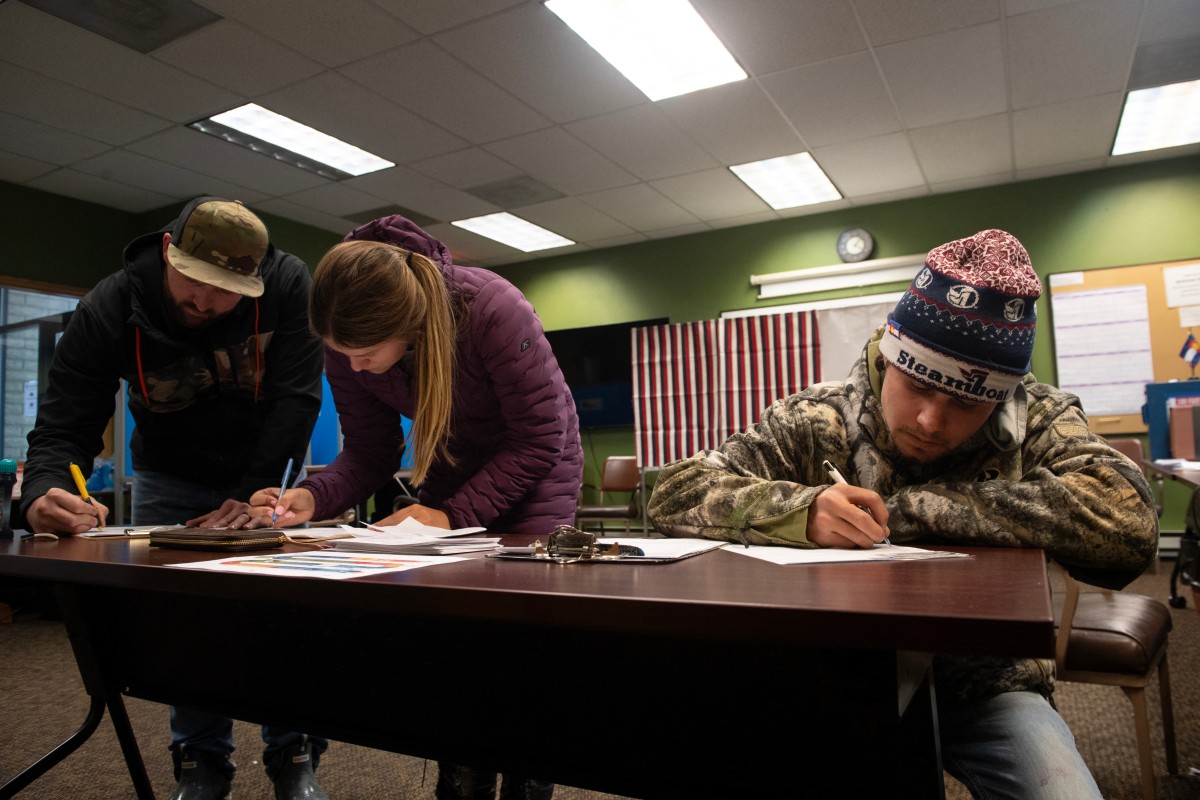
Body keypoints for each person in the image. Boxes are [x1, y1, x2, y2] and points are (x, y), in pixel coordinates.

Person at [646, 229, 1158, 799]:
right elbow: (674, 491)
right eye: (917, 386)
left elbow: (1127, 523)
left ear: (1002, 398)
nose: (930, 422)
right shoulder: (817, 418)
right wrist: (801, 509)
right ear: (889, 358)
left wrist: (912, 510)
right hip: (831, 673)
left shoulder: (1037, 418)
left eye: (965, 402)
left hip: (986, 683)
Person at [249, 214, 583, 800]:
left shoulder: (492, 308)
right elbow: (372, 451)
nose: (353, 367)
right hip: (454, 472)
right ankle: (461, 779)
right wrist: (313, 495)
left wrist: (449, 516)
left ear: (407, 324)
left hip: (538, 473)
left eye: (366, 353)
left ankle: (528, 780)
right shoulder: (348, 339)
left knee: (525, 648)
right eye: (340, 354)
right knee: (454, 641)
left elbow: (539, 438)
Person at [20, 196, 329, 800]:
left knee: (283, 612)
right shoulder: (111, 304)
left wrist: (252, 494)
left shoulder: (290, 286)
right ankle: (200, 761)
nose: (206, 304)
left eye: (225, 291)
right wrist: (42, 491)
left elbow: (297, 398)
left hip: (264, 474)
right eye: (193, 283)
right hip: (170, 474)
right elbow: (63, 424)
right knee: (185, 622)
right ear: (168, 251)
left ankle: (293, 753)